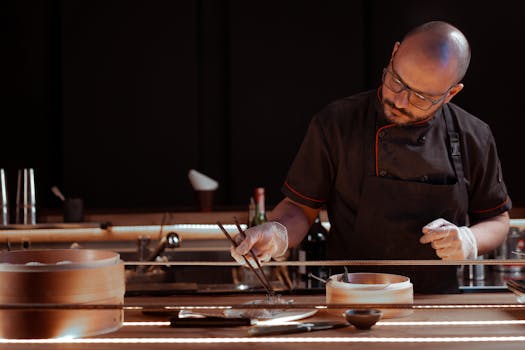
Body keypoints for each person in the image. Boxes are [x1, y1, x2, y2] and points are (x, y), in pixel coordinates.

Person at [231, 21, 511, 293]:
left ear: (450, 93)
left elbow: (498, 221)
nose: (399, 101)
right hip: (350, 301)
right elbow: (299, 209)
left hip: (434, 301)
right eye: (396, 81)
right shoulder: (337, 123)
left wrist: (469, 239)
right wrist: (276, 233)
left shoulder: (473, 135)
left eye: (420, 98)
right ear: (394, 53)